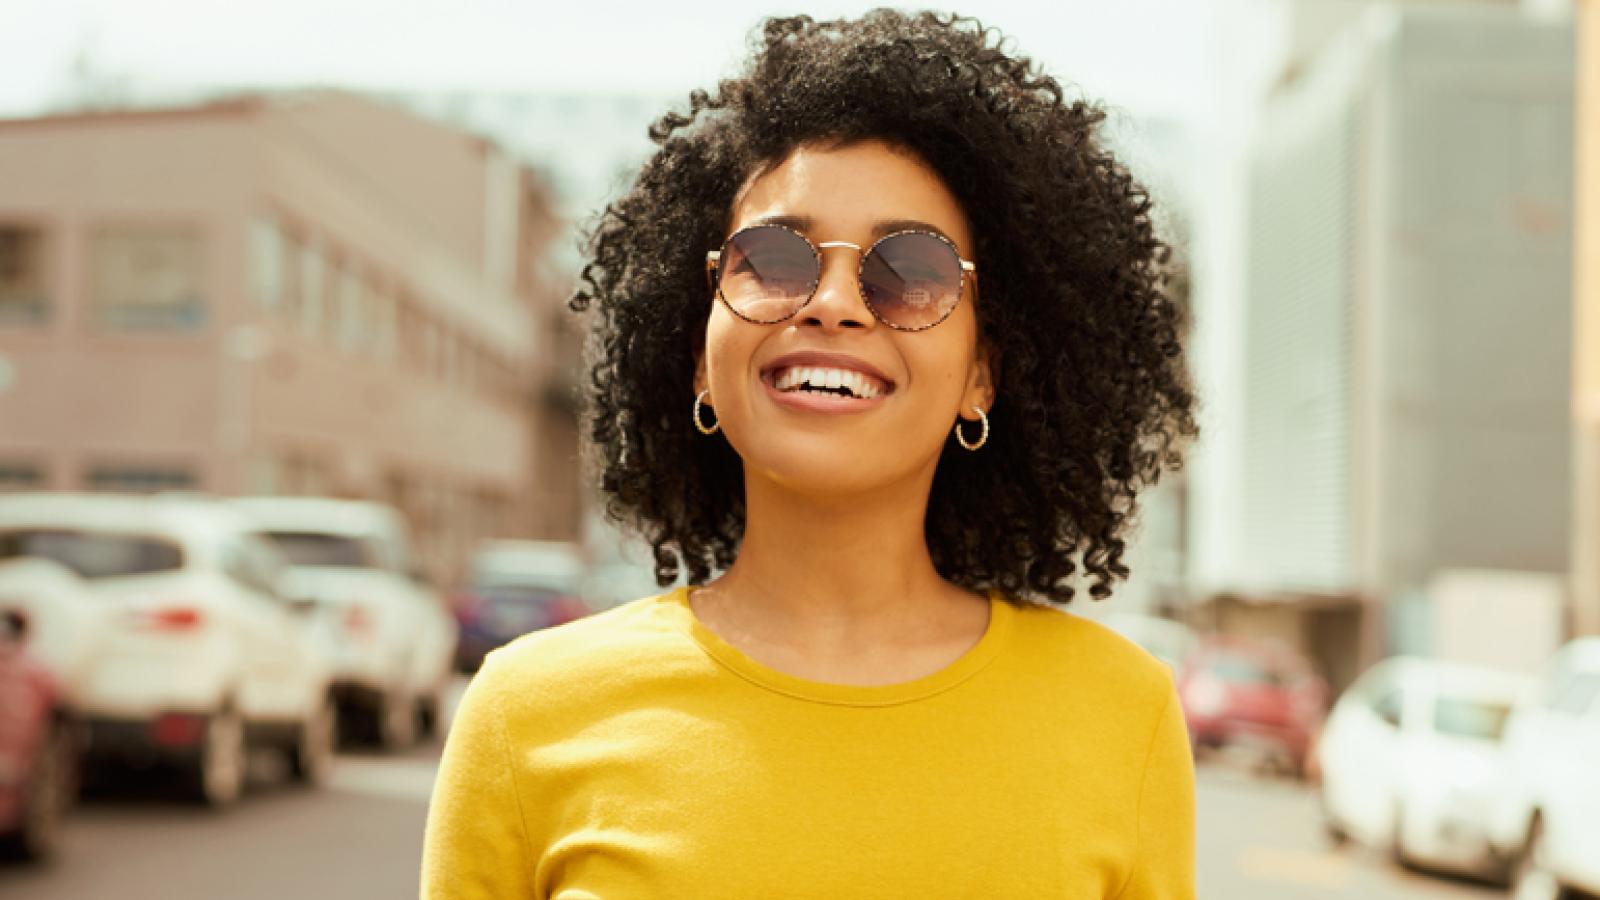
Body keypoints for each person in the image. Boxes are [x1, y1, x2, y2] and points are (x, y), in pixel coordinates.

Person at [422, 10, 1199, 898]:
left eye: (911, 267)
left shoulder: (1119, 714)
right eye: (772, 258)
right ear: (698, 362)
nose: (833, 301)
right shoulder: (527, 715)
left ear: (983, 374)